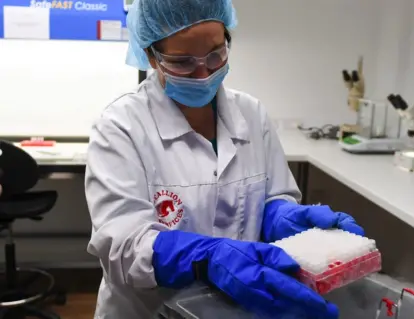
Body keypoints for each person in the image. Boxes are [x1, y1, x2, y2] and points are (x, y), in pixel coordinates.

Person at [84, 0, 365, 318]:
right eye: (183, 62)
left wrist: (281, 216)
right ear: (151, 56)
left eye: (215, 54)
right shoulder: (121, 126)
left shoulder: (251, 113)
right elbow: (123, 248)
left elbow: (272, 197)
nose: (203, 73)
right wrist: (206, 257)